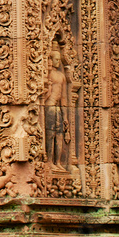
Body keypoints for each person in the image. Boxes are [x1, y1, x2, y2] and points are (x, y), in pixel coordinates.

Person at [44, 43, 69, 171]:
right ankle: (49, 161)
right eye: (56, 59)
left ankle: (58, 162)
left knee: (59, 135)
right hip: (49, 106)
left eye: (59, 60)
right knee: (50, 133)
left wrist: (65, 117)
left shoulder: (61, 76)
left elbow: (63, 97)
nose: (58, 62)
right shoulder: (49, 74)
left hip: (57, 107)